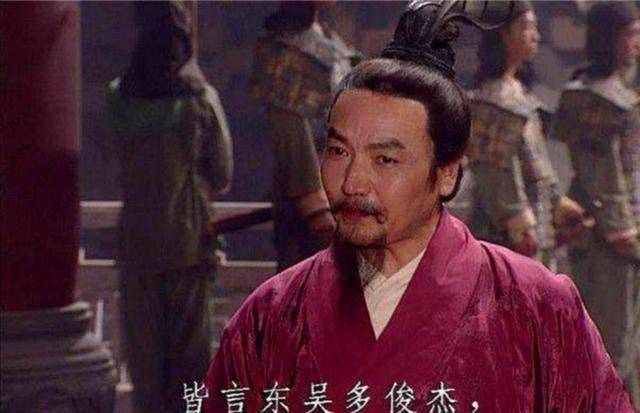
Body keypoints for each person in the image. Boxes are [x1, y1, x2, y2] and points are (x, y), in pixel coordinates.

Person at [203, 2, 635, 412]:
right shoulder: (270, 317)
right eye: (338, 151)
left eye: (385, 159)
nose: (352, 183)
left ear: (447, 173)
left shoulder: (538, 307)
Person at [105, 2, 233, 412]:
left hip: (136, 247)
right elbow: (222, 173)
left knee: (145, 366)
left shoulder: (117, 98)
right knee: (190, 364)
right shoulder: (200, 99)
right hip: (188, 246)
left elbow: (113, 160)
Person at [554, 1, 640, 406]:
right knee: (609, 346)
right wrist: (622, 230)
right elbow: (601, 173)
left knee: (629, 348)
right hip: (607, 238)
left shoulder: (622, 91)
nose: (635, 44)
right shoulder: (591, 97)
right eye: (629, 34)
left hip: (628, 233)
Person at [462, 1, 588, 271]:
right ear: (503, 34)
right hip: (506, 236)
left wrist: (557, 203)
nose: (536, 36)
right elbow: (494, 171)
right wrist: (515, 219)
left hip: (537, 228)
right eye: (526, 27)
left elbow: (535, 163)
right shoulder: (491, 102)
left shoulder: (520, 95)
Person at [252, 1, 361, 271]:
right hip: (312, 211)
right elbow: (290, 131)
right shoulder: (283, 50)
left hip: (346, 194)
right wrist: (315, 208)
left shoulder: (330, 39)